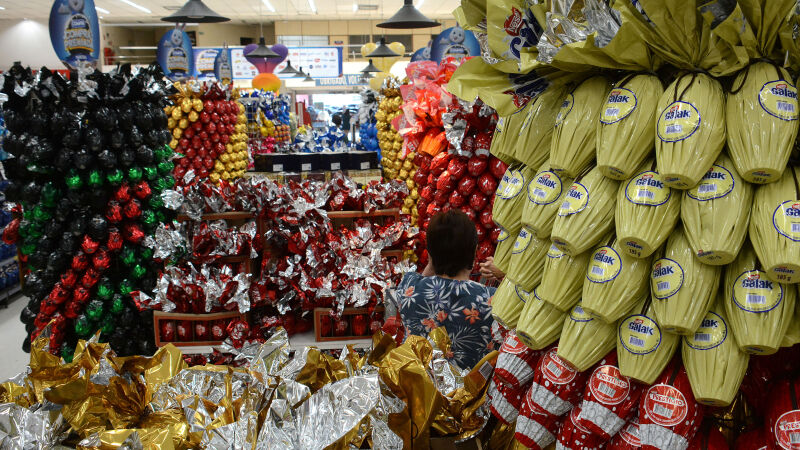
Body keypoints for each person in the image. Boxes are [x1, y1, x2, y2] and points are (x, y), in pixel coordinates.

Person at [396, 210, 496, 370]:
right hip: (473, 393)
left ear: (429, 254)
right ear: (474, 252)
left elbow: (423, 277)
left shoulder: (408, 288)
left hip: (418, 390)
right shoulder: (490, 299)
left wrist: (433, 260)